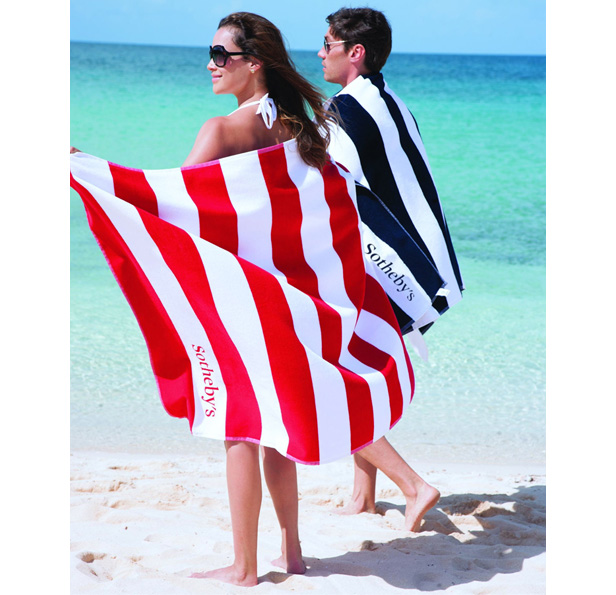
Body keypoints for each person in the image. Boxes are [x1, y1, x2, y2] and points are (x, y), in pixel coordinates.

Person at [70, 11, 420, 587]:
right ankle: (295, 552)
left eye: (219, 54)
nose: (209, 64)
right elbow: (316, 218)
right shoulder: (297, 129)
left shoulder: (220, 131)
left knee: (241, 429)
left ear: (251, 63)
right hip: (288, 303)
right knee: (278, 429)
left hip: (243, 307)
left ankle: (244, 566)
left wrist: (94, 175)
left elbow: (168, 208)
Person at [317, 7, 464, 531]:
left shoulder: (344, 111)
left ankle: (413, 485)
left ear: (354, 53)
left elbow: (328, 185)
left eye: (328, 43)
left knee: (336, 377)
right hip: (411, 261)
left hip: (377, 266)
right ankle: (362, 494)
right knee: (361, 370)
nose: (320, 53)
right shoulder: (390, 101)